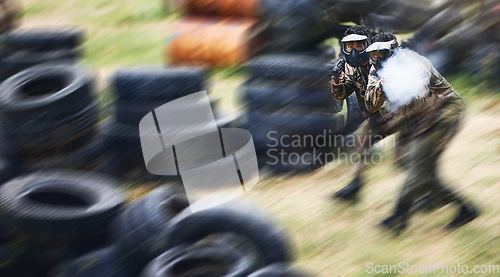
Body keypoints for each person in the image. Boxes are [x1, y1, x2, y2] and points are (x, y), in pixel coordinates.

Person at [364, 32, 478, 234]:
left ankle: (399, 218)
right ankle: (465, 208)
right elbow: (375, 104)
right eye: (374, 54)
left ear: (392, 50)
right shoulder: (378, 70)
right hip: (415, 118)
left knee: (417, 163)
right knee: (406, 163)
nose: (377, 58)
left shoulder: (415, 65)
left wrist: (387, 126)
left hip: (443, 114)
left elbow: (417, 102)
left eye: (381, 53)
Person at [330, 25, 394, 201]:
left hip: (406, 110)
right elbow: (341, 95)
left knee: (409, 155)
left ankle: (426, 190)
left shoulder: (383, 61)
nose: (354, 50)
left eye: (359, 45)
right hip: (380, 114)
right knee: (362, 138)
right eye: (350, 46)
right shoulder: (352, 69)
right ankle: (356, 186)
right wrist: (336, 80)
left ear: (367, 45)